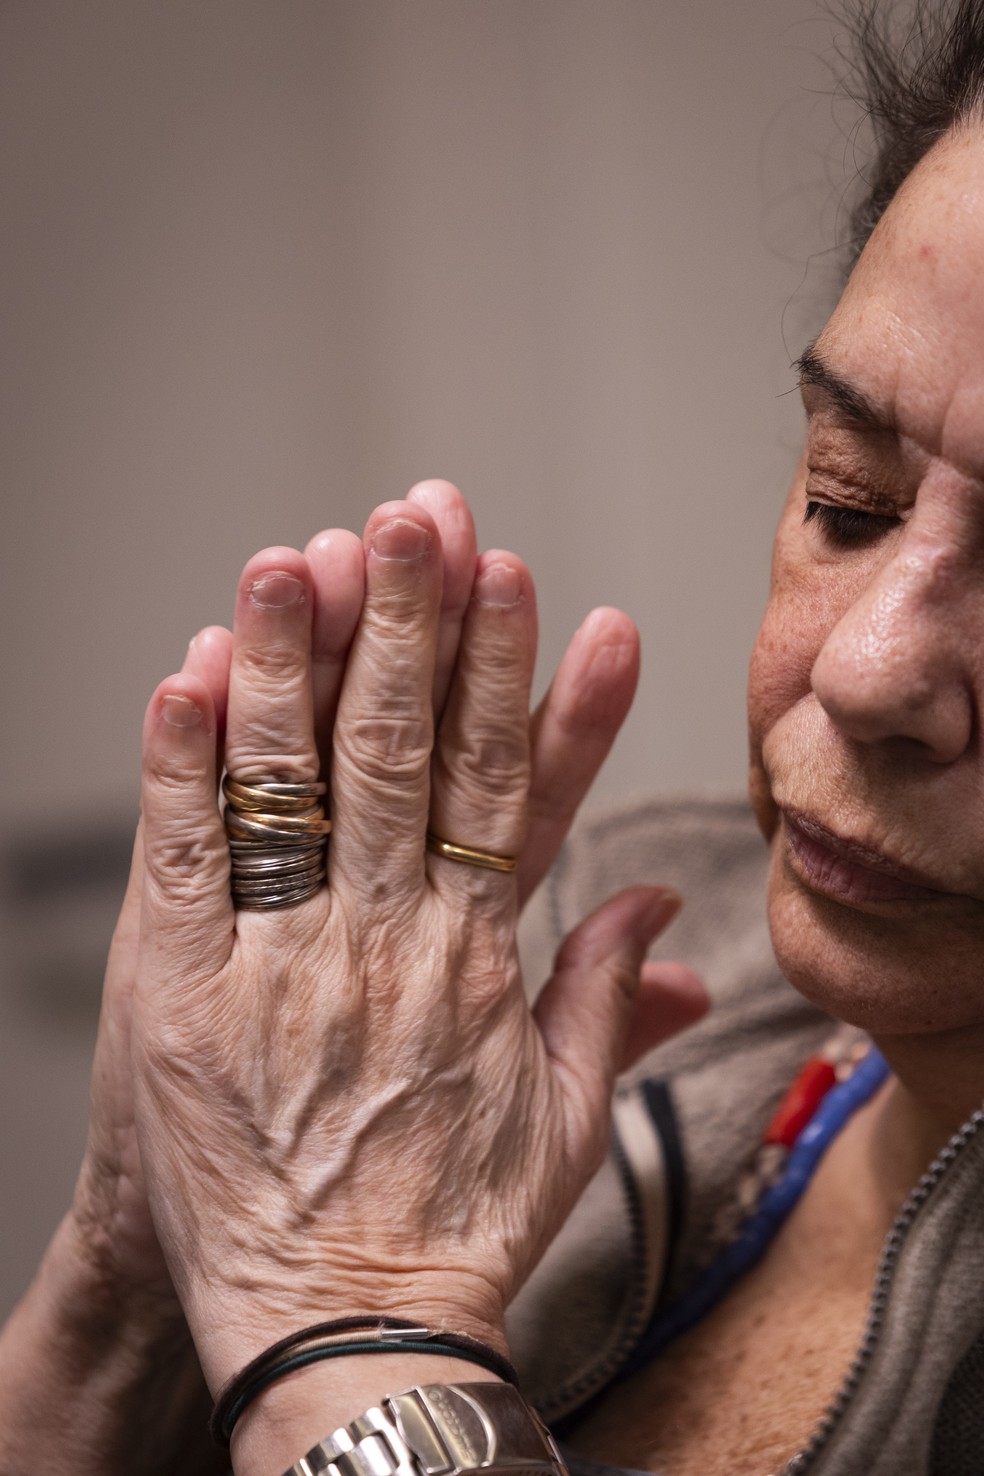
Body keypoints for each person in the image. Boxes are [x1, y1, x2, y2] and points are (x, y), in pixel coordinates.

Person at [3, 2, 984, 1473]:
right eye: (850, 497)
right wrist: (142, 1279)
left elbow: (337, 1324)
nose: (867, 668)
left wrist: (346, 1333)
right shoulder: (678, 1006)